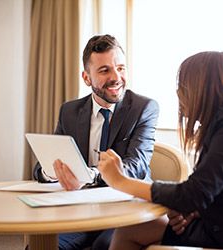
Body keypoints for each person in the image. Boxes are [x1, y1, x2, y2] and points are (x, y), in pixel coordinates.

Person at [98, 51, 223, 249]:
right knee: (133, 231)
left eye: (182, 85)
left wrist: (120, 181)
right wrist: (197, 210)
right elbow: (216, 188)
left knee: (129, 231)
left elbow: (192, 193)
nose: (178, 94)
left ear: (202, 87)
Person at [33, 34, 159, 250]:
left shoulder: (144, 108)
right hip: (80, 209)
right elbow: (42, 167)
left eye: (120, 68)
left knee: (103, 246)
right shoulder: (69, 111)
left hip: (124, 209)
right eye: (104, 70)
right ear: (86, 78)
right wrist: (53, 172)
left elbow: (136, 167)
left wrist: (87, 176)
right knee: (44, 245)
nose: (116, 77)